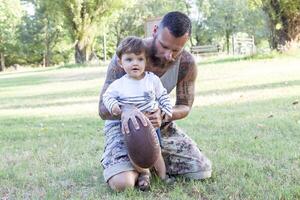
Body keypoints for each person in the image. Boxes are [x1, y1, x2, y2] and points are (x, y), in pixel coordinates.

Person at [99, 11, 212, 192]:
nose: (169, 55)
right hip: (124, 125)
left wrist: (163, 114)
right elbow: (102, 108)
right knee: (123, 183)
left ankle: (146, 159)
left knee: (201, 170)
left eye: (176, 50)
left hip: (159, 124)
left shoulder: (186, 63)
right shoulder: (129, 54)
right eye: (164, 46)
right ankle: (127, 162)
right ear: (154, 31)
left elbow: (185, 105)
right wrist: (126, 110)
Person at [102, 36, 172, 190]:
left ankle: (163, 177)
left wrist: (166, 111)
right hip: (130, 128)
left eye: (140, 59)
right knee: (135, 153)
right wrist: (114, 106)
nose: (135, 63)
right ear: (120, 63)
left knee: (156, 152)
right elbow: (107, 96)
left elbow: (163, 95)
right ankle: (144, 173)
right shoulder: (119, 84)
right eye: (129, 59)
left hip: (151, 125)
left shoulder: (151, 80)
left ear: (145, 61)